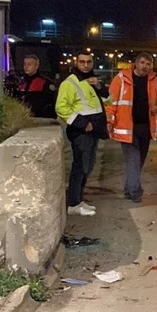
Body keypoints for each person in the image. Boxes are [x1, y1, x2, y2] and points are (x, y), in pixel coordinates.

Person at [106, 52, 157, 203]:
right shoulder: (121, 79)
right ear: (136, 63)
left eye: (148, 64)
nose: (145, 67)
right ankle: (135, 192)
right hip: (126, 128)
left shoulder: (154, 81)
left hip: (145, 128)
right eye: (142, 63)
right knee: (133, 160)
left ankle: (129, 189)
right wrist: (109, 122)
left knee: (139, 161)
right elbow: (110, 103)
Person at [56, 50, 110, 216]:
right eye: (82, 62)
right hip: (82, 132)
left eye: (88, 62)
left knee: (88, 165)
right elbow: (61, 107)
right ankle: (73, 203)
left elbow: (107, 99)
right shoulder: (69, 83)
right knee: (80, 167)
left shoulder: (91, 81)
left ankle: (79, 199)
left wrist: (100, 87)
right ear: (76, 63)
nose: (86, 65)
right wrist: (82, 124)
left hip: (93, 130)